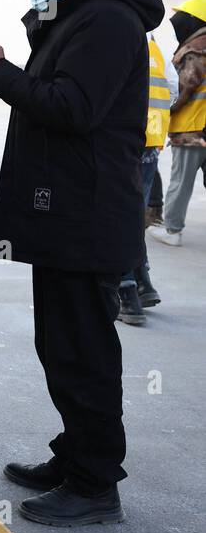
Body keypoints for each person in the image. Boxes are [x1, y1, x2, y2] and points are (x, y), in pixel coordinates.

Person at [0, 0, 162, 526]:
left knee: (85, 352)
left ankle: (95, 482)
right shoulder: (79, 19)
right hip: (66, 216)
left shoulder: (107, 20)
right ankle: (75, 453)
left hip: (89, 216)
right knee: (61, 345)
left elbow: (71, 108)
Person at [117, 34, 173, 325]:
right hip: (152, 140)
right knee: (134, 214)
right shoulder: (155, 47)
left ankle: (126, 294)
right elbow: (172, 88)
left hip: (122, 141)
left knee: (116, 217)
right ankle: (143, 281)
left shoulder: (112, 36)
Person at [150, 0, 206, 247]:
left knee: (180, 182)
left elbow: (184, 87)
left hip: (190, 129)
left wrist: (166, 109)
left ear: (194, 21)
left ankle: (172, 230)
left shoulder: (195, 51)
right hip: (202, 128)